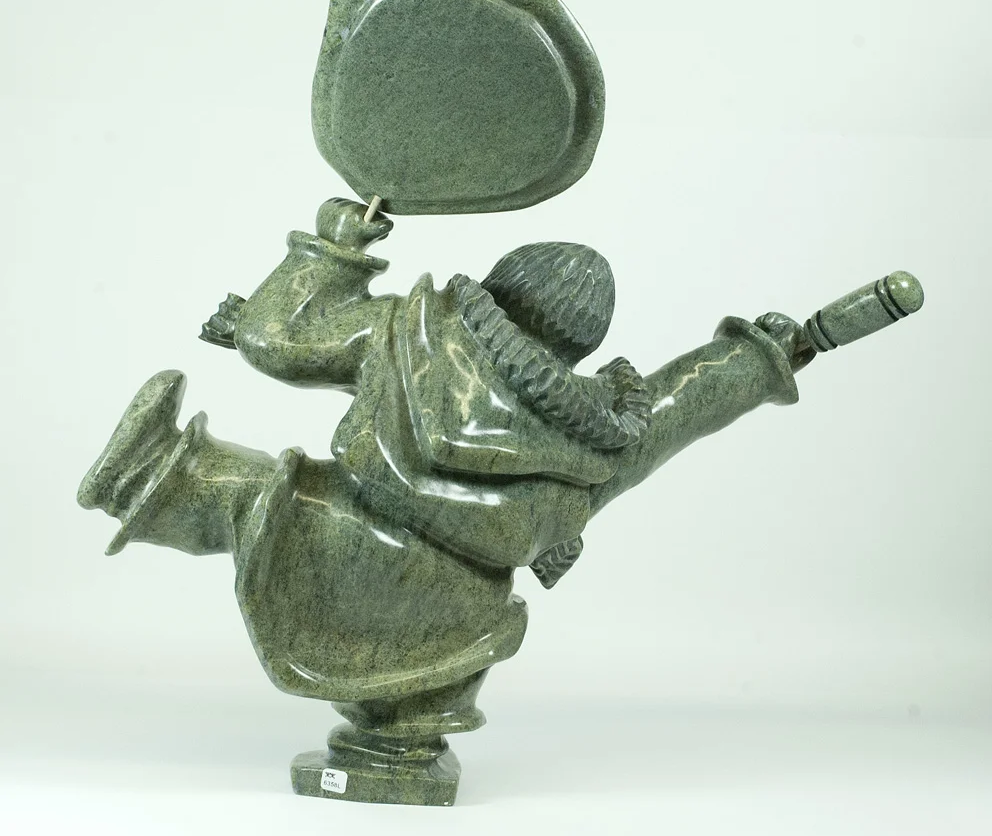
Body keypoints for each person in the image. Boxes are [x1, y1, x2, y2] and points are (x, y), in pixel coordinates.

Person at [78, 197, 810, 746]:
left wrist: (335, 247)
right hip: (458, 622)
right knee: (413, 690)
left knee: (260, 496)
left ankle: (147, 481)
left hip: (331, 544)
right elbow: (679, 409)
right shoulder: (597, 439)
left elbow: (277, 339)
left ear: (498, 285)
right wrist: (756, 361)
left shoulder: (417, 334)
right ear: (582, 346)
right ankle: (405, 737)